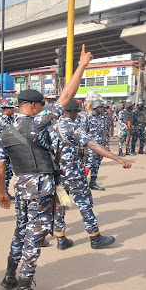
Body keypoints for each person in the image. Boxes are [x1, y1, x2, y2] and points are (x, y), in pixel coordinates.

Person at [0, 44, 93, 290]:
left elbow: (0, 165)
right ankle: (24, 289)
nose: (42, 109)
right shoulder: (36, 123)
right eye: (40, 105)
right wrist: (81, 65)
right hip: (39, 188)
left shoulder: (5, 131)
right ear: (31, 105)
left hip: (21, 188)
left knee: (20, 231)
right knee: (35, 236)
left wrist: (3, 192)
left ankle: (8, 277)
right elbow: (66, 96)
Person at [50, 99, 132, 250]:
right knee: (85, 204)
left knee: (61, 204)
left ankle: (61, 238)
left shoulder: (51, 125)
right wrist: (117, 158)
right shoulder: (72, 125)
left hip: (56, 173)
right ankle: (95, 237)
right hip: (73, 174)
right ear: (73, 112)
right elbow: (92, 145)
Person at [83, 100, 107, 191]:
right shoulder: (87, 117)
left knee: (96, 164)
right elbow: (83, 133)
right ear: (96, 107)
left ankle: (93, 183)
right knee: (88, 164)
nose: (102, 109)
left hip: (100, 145)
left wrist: (106, 144)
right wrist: (84, 147)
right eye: (101, 107)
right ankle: (83, 183)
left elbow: (105, 131)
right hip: (91, 146)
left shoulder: (103, 117)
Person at [0, 99, 16, 200]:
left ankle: (6, 191)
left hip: (11, 149)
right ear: (7, 109)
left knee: (9, 172)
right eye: (12, 108)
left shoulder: (12, 119)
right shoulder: (2, 120)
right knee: (3, 171)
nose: (14, 110)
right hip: (3, 149)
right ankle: (3, 191)